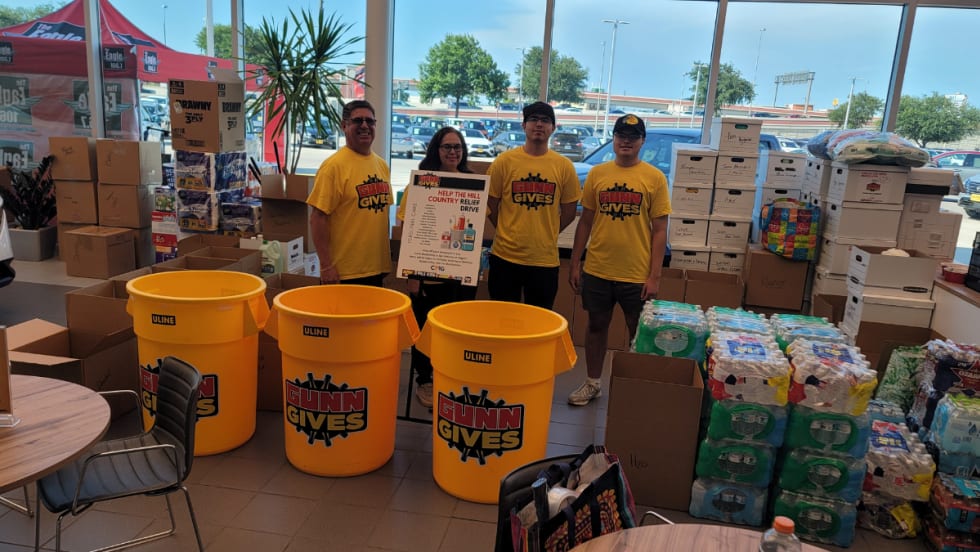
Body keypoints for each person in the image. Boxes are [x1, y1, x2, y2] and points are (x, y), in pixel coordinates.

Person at [567, 114, 671, 406]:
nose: (626, 141)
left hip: (636, 273)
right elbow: (585, 222)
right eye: (620, 135)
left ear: (642, 142)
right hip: (598, 268)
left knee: (639, 333)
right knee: (596, 326)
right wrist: (576, 263)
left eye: (633, 136)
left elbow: (660, 230)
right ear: (612, 138)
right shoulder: (598, 174)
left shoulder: (654, 178)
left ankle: (636, 389)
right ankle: (592, 383)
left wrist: (655, 277)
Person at [396, 127, 478, 407]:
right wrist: (412, 275)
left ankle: (453, 376)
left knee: (458, 329)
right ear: (436, 150)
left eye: (457, 147)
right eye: (447, 147)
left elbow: (475, 229)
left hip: (460, 272)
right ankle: (425, 380)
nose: (453, 152)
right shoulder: (420, 183)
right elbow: (406, 228)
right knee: (425, 328)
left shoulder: (472, 182)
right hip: (427, 273)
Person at [486, 101, 581, 309]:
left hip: (544, 262)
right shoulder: (504, 162)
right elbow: (490, 206)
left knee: (538, 324)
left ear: (553, 128)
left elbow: (570, 211)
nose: (539, 124)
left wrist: (547, 232)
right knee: (501, 321)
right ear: (523, 125)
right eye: (533, 119)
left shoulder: (564, 166)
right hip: (504, 258)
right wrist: (507, 230)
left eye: (545, 120)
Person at [307, 100, 392, 286]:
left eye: (370, 121)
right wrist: (326, 266)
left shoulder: (382, 165)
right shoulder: (333, 167)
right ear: (344, 126)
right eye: (358, 121)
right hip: (344, 273)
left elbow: (381, 215)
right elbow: (317, 218)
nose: (364, 126)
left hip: (376, 269)